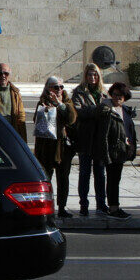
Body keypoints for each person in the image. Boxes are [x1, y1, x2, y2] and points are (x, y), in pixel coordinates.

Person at [69, 63, 109, 217]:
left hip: (100, 138)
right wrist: (98, 110)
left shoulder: (103, 92)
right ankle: (83, 204)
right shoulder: (79, 92)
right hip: (85, 137)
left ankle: (101, 204)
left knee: (100, 173)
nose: (92, 78)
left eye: (95, 75)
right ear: (85, 76)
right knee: (84, 173)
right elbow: (79, 111)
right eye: (90, 74)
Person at [34, 77, 78, 213]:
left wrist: (59, 104)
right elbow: (37, 121)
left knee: (63, 177)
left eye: (61, 87)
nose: (59, 90)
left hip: (63, 146)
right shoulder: (42, 102)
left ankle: (62, 207)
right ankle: (45, 206)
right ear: (48, 88)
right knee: (46, 178)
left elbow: (72, 119)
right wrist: (46, 109)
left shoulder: (66, 102)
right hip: (46, 146)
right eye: (55, 87)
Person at [97, 82, 137, 218]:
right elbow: (103, 135)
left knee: (116, 179)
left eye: (121, 95)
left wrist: (131, 146)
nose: (118, 98)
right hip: (112, 151)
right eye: (115, 95)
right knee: (113, 180)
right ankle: (113, 208)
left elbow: (129, 130)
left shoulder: (125, 110)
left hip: (122, 150)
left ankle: (115, 206)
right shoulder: (107, 110)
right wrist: (106, 154)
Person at [0, 64, 26, 139]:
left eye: (6, 73)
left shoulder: (15, 92)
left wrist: (22, 136)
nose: (3, 76)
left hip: (11, 130)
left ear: (9, 75)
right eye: (0, 73)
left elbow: (21, 115)